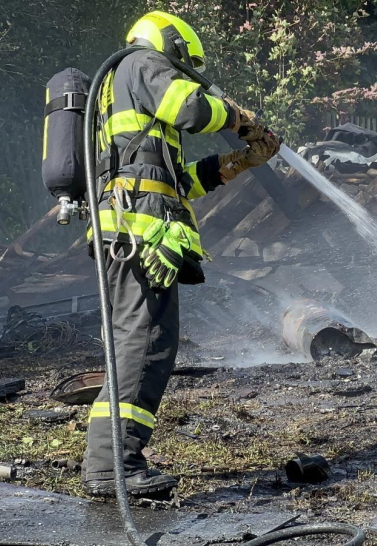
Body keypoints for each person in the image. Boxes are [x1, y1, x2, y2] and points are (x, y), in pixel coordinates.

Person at [81, 11, 279, 497]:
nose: (184, 75)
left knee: (136, 343)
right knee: (145, 342)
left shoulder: (128, 92)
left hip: (130, 225)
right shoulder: (142, 62)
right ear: (171, 46)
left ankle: (110, 461)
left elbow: (172, 182)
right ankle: (113, 466)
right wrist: (239, 117)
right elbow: (190, 108)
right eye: (184, 66)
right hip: (138, 230)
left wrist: (239, 161)